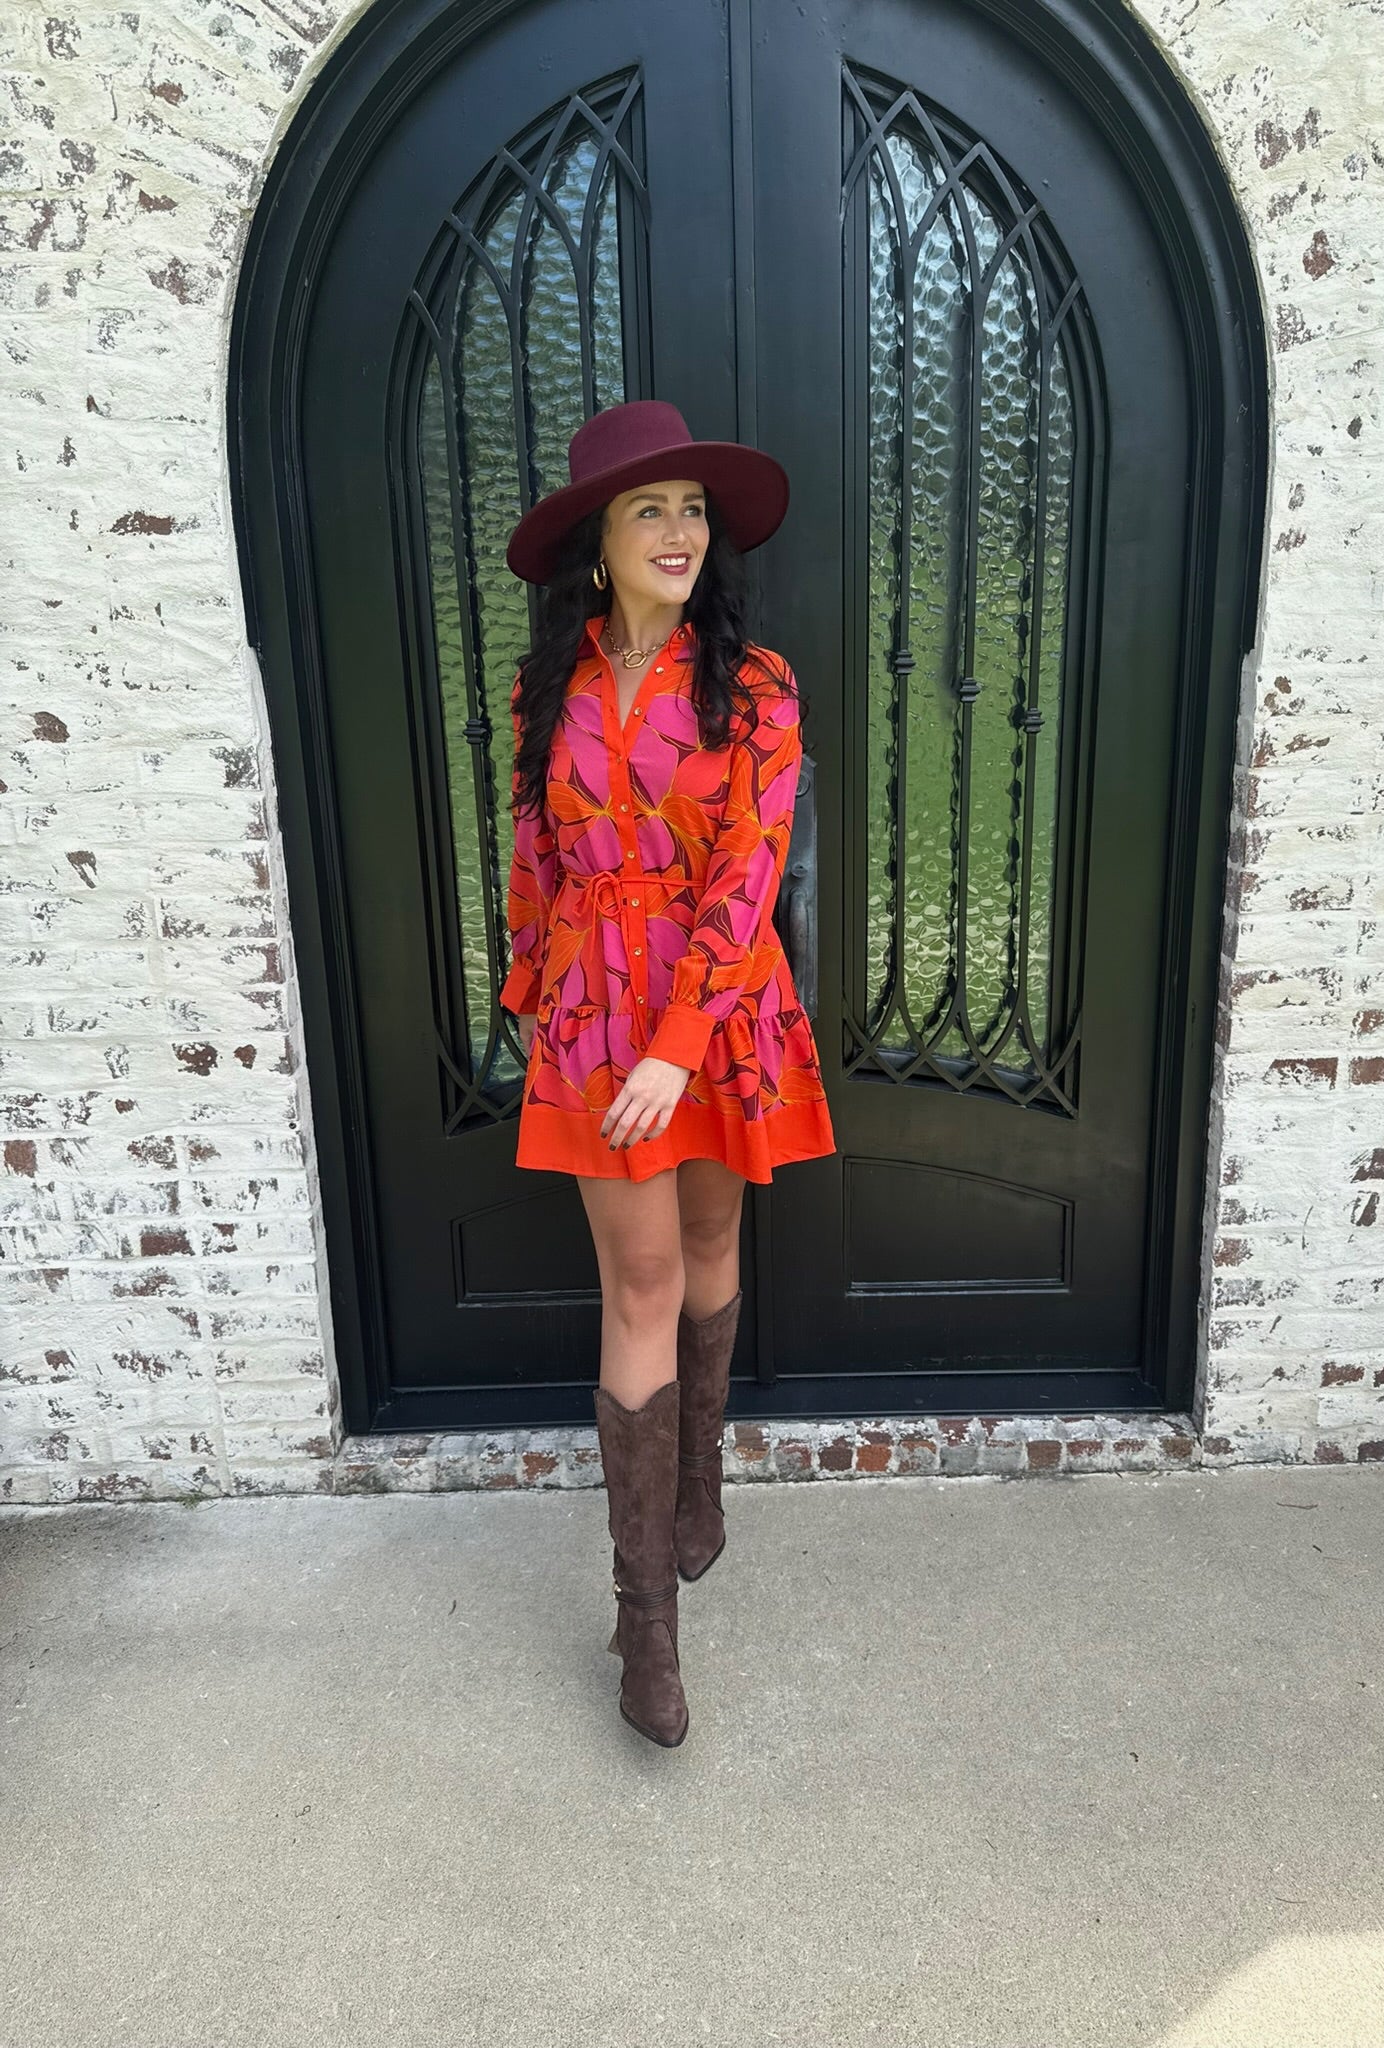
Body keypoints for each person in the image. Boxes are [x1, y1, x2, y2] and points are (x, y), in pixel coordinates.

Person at [501, 399, 837, 1748]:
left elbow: (751, 875)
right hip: (595, 1016)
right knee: (639, 1282)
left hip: (719, 1009)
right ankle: (645, 1622)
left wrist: (680, 1041)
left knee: (708, 1244)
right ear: (601, 541)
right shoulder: (548, 689)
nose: (680, 530)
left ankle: (701, 1481)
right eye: (651, 509)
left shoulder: (755, 686)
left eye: (692, 509)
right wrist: (539, 1004)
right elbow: (534, 861)